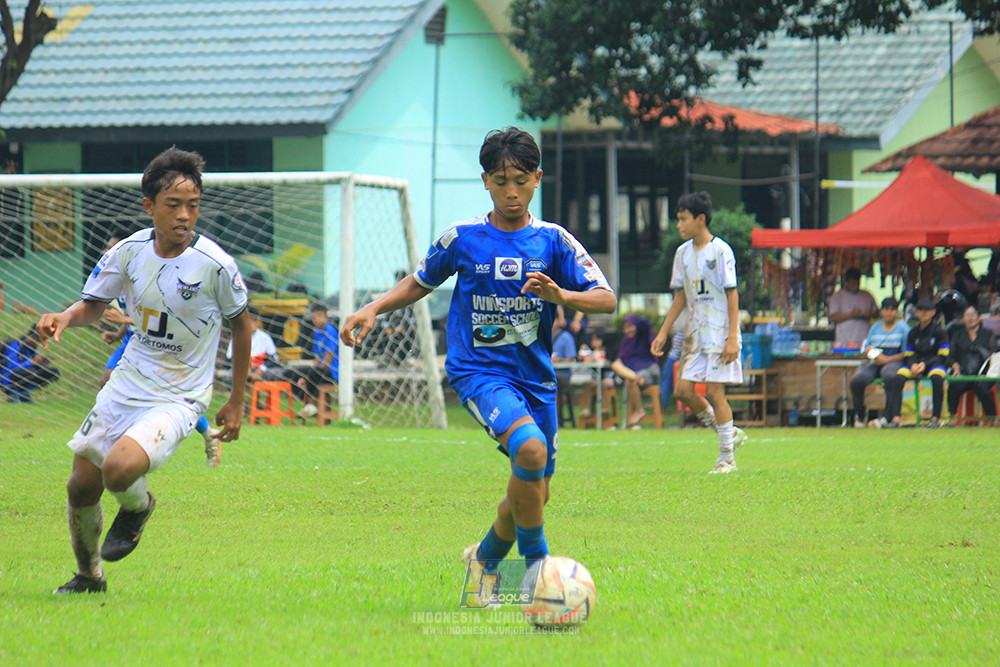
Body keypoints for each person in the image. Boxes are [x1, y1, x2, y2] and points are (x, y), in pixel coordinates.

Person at [339, 127, 616, 606]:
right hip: (479, 372)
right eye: (501, 180)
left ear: (537, 180)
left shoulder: (553, 241)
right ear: (485, 180)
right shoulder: (464, 238)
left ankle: (484, 563)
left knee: (534, 495)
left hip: (537, 380)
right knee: (529, 452)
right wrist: (373, 308)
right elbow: (420, 281)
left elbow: (606, 299)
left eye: (521, 180)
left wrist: (561, 295)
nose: (512, 191)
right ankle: (538, 577)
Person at [36, 147, 252, 595]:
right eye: (173, 205)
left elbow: (242, 325)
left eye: (193, 205)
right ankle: (88, 576)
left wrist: (235, 399)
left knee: (118, 470)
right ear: (149, 206)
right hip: (129, 381)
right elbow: (94, 305)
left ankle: (138, 507)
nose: (184, 215)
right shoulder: (129, 252)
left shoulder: (216, 265)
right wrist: (65, 316)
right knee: (81, 486)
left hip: (180, 394)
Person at [651, 191, 748, 474]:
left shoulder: (721, 251)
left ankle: (726, 459)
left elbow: (732, 296)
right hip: (694, 335)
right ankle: (728, 432)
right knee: (683, 390)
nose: (678, 225)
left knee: (716, 394)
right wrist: (664, 331)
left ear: (700, 219)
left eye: (683, 219)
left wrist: (733, 337)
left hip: (719, 334)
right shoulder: (682, 254)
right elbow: (680, 298)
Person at [884, 297, 948, 428]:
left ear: (933, 312)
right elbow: (909, 354)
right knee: (898, 378)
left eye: (927, 310)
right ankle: (896, 418)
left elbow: (943, 355)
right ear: (916, 313)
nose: (923, 313)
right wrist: (913, 365)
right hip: (915, 364)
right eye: (921, 310)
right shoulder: (913, 332)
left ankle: (935, 418)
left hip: (935, 364)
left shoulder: (940, 331)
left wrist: (925, 364)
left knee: (937, 378)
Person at [849, 297, 910, 428]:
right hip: (875, 360)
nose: (889, 313)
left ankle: (888, 416)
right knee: (857, 380)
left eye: (893, 310)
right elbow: (867, 348)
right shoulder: (875, 327)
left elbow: (906, 353)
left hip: (894, 359)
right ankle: (860, 414)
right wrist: (871, 353)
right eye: (886, 309)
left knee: (890, 376)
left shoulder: (903, 328)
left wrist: (887, 359)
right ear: (881, 311)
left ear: (897, 312)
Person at [946, 305, 998, 425]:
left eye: (973, 315)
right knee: (954, 384)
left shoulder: (988, 334)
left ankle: (993, 418)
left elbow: (994, 354)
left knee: (981, 386)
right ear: (963, 319)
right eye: (967, 315)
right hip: (965, 371)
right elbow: (950, 357)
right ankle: (953, 417)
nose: (970, 318)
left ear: (979, 317)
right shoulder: (958, 335)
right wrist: (955, 366)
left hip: (985, 373)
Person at [606, 314, 660, 428]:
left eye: (630, 326)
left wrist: (638, 324)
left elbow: (646, 323)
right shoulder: (626, 341)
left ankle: (639, 410)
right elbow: (620, 357)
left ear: (637, 326)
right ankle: (639, 409)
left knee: (630, 381)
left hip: (649, 370)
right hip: (635, 374)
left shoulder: (642, 336)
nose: (627, 330)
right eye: (625, 327)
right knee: (617, 366)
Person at [294, 302, 339, 420]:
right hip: (321, 370)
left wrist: (314, 371)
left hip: (333, 372)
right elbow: (318, 357)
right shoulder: (317, 332)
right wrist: (311, 371)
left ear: (326, 316)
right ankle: (309, 406)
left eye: (319, 316)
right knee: (297, 372)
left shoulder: (330, 330)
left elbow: (328, 356)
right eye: (314, 317)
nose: (316, 319)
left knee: (313, 374)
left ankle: (312, 405)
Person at [1, 325, 61, 402]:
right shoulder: (14, 345)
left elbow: (34, 366)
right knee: (32, 371)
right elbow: (11, 368)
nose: (37, 343)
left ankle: (23, 392)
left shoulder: (33, 349)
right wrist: (31, 362)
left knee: (54, 372)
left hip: (24, 374)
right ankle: (13, 393)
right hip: (6, 380)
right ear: (30, 336)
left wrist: (41, 363)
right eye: (37, 340)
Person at [828, 267, 877, 350]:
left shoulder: (867, 295)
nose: (854, 286)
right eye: (852, 283)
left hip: (864, 339)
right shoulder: (837, 296)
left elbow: (878, 312)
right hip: (844, 340)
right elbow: (833, 317)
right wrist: (851, 315)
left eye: (857, 283)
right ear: (846, 282)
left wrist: (869, 314)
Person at [658, 306, 688, 407]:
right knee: (666, 374)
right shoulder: (677, 313)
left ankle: (685, 406)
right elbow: (671, 331)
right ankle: (661, 403)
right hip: (675, 353)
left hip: (688, 353)